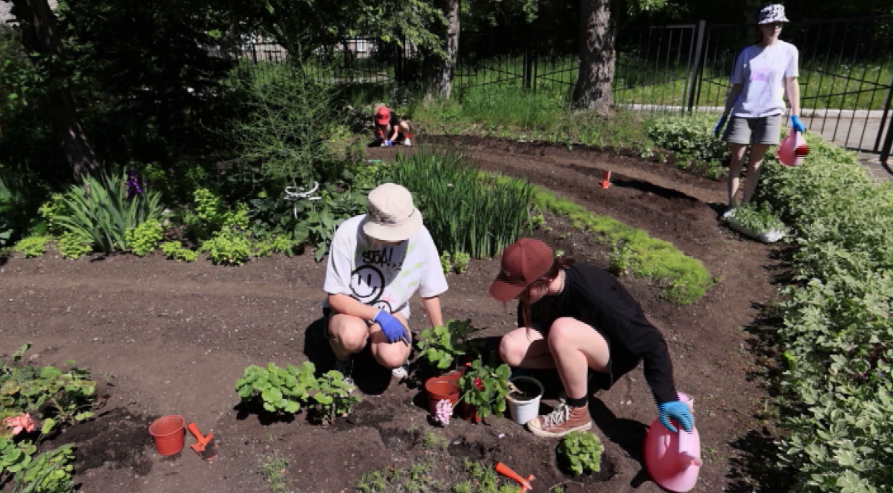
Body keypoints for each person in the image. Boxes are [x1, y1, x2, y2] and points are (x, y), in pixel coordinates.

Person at [488, 238, 693, 438]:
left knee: (562, 330)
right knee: (510, 348)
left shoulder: (595, 294)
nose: (516, 296)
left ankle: (577, 413)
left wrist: (666, 398)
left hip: (613, 353)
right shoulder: (539, 290)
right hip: (569, 339)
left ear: (547, 279)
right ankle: (571, 372)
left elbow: (651, 342)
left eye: (520, 291)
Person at [322, 183, 447, 386]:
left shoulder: (420, 237)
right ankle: (342, 361)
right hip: (351, 311)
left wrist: (441, 335)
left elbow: (430, 291)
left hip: (393, 309)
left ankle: (382, 351)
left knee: (393, 357)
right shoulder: (348, 234)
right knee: (351, 336)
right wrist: (378, 316)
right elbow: (335, 297)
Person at [714, 4, 804, 217]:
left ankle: (744, 207)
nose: (775, 27)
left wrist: (795, 115)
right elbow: (737, 85)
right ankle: (731, 204)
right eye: (771, 23)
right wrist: (725, 115)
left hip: (770, 113)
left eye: (779, 23)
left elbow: (791, 84)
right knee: (737, 158)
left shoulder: (789, 51)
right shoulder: (747, 54)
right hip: (743, 112)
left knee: (756, 162)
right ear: (760, 26)